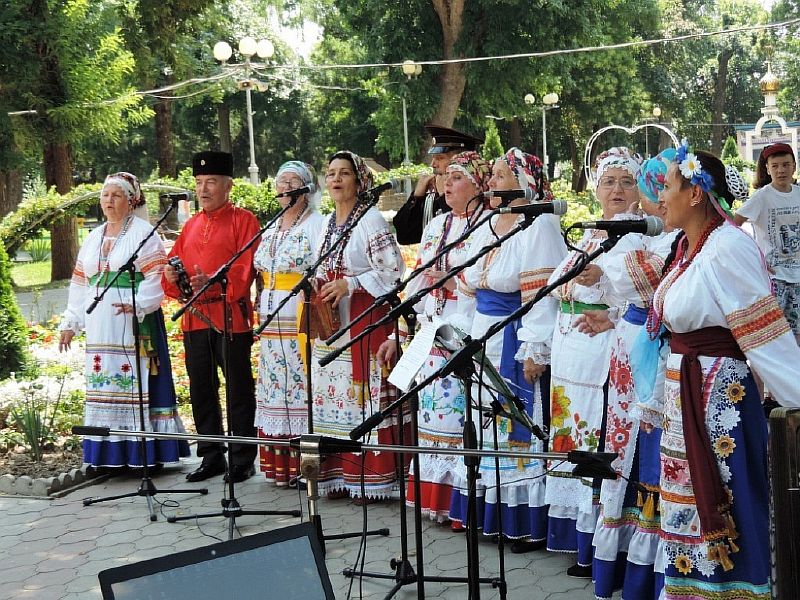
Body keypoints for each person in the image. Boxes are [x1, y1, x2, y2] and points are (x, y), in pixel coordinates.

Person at [651, 142, 800, 600]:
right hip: (688, 389)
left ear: (695, 194)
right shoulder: (688, 249)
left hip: (720, 399)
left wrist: (796, 398)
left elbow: (764, 333)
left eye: (668, 186)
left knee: (727, 498)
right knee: (688, 501)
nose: (660, 196)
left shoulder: (727, 246)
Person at [449, 148, 566, 552]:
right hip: (483, 333)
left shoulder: (541, 223)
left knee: (515, 421)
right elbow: (468, 282)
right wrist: (460, 335)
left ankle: (521, 519)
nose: (493, 180)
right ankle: (489, 514)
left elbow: (542, 294)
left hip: (516, 334)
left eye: (501, 174)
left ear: (525, 181)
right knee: (484, 421)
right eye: (493, 173)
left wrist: (535, 348)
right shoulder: (487, 223)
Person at [583, 149, 681, 599]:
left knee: (651, 452)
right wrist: (614, 316)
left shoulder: (664, 236)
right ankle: (624, 565)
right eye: (614, 182)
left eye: (639, 184)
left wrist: (606, 269)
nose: (630, 193)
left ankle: (656, 569)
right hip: (627, 351)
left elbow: (656, 284)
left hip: (656, 357)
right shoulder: (637, 235)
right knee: (624, 450)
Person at [545, 146, 643, 577]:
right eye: (609, 181)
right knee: (575, 439)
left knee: (600, 441)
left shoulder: (640, 235)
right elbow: (556, 283)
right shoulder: (588, 232)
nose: (617, 189)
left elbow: (646, 297)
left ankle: (603, 544)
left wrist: (610, 310)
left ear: (640, 188)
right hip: (570, 357)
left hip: (605, 353)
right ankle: (579, 540)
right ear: (596, 187)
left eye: (626, 181)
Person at [378, 150, 489, 522]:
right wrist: (402, 331)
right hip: (433, 329)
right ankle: (435, 500)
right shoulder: (437, 225)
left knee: (460, 421)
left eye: (456, 177)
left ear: (478, 184)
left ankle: (460, 504)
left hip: (467, 328)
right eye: (446, 178)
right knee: (433, 419)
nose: (447, 184)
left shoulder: (487, 224)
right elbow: (419, 284)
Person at [59, 172, 189, 470]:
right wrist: (70, 322)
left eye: (116, 195)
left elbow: (155, 276)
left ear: (131, 201)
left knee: (135, 382)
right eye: (105, 196)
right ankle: (107, 455)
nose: (108, 201)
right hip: (100, 325)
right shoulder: (93, 237)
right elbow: (80, 284)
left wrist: (137, 304)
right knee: (104, 382)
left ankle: (142, 454)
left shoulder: (144, 232)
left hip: (132, 320)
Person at [311, 150, 407, 501]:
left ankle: (370, 477)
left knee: (363, 394)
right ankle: (339, 472)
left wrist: (349, 284)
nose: (335, 179)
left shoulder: (371, 221)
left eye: (344, 173)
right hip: (332, 319)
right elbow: (322, 264)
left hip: (366, 316)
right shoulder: (325, 223)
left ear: (359, 180)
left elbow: (394, 272)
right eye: (331, 173)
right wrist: (320, 281)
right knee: (336, 396)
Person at [162, 151, 260, 483]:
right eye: (199, 183)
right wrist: (172, 278)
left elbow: (246, 269)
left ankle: (243, 457)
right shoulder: (190, 225)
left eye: (211, 182)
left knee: (237, 390)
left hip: (231, 318)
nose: (204, 190)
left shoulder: (243, 220)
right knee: (202, 389)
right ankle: (212, 455)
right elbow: (172, 268)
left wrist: (217, 284)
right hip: (195, 320)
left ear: (228, 185)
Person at [253, 161, 325, 486]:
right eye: (281, 182)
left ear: (307, 188)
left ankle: (306, 465)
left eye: (293, 181)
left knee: (300, 384)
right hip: (270, 321)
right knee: (275, 385)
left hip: (298, 316)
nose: (285, 187)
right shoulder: (270, 228)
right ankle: (279, 467)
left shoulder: (316, 225)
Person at [734, 142, 800, 347]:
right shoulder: (762, 197)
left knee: (797, 334)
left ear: (794, 167)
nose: (781, 170)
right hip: (774, 278)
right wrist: (755, 257)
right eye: (775, 165)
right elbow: (733, 226)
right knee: (773, 335)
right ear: (767, 169)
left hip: (798, 276)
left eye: (786, 165)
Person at [393, 125, 483, 245]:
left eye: (440, 158)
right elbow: (404, 236)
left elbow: (460, 234)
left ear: (461, 160)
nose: (433, 164)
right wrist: (416, 198)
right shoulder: (430, 192)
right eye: (433, 158)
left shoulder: (477, 191)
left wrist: (443, 197)